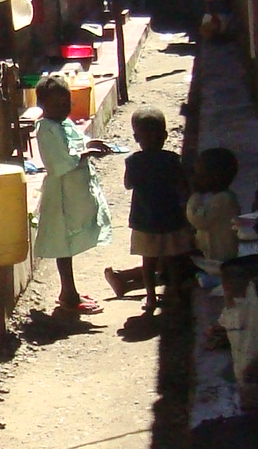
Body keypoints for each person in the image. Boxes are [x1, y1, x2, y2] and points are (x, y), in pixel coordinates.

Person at [33, 74, 112, 318]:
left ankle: (70, 291)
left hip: (73, 195)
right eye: (57, 105)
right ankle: (69, 294)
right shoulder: (46, 128)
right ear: (43, 106)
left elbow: (76, 142)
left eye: (67, 103)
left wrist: (90, 144)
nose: (64, 109)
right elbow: (58, 163)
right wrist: (85, 154)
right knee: (63, 245)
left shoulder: (62, 123)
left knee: (68, 242)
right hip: (60, 198)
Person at [121, 107, 191, 314]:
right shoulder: (171, 159)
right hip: (169, 217)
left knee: (150, 260)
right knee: (171, 258)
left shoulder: (134, 161)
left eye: (156, 134)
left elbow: (128, 184)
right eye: (149, 133)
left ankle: (151, 297)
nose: (153, 138)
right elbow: (182, 186)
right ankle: (174, 293)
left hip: (145, 218)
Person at [186, 147, 241, 261]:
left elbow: (197, 219)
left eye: (200, 175)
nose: (195, 179)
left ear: (215, 178)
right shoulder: (213, 196)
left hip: (220, 255)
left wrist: (195, 194)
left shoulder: (224, 199)